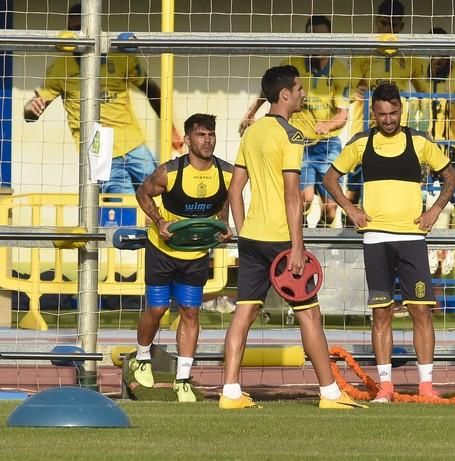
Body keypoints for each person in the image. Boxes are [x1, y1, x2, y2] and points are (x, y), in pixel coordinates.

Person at [221, 65, 366, 410]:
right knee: (310, 316)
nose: (304, 94)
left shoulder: (251, 134)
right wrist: (298, 247)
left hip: (253, 238)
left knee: (243, 314)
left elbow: (235, 190)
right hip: (280, 240)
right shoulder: (292, 135)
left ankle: (230, 392)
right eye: (299, 88)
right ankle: (330, 393)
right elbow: (292, 195)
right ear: (285, 94)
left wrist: (243, 234)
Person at [324, 83, 455, 403]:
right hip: (375, 239)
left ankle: (426, 386)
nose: (388, 119)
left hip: (412, 237)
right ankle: (385, 387)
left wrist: (435, 210)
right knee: (381, 313)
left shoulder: (419, 141)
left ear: (402, 109)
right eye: (382, 114)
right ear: (373, 113)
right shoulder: (361, 143)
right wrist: (350, 208)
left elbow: (451, 176)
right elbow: (330, 178)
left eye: (394, 112)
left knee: (421, 311)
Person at [23, 3, 183, 194]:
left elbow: (152, 90)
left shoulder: (119, 57)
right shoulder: (60, 68)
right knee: (122, 209)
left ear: (95, 27)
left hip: (133, 144)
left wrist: (171, 129)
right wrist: (30, 109)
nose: (78, 36)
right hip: (99, 149)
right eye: (73, 29)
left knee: (159, 198)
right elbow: (31, 110)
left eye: (82, 29)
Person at [128, 113, 233, 402]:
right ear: (187, 140)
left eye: (211, 134)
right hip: (162, 251)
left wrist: (223, 226)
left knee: (190, 312)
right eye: (200, 135)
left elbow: (223, 201)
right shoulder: (168, 172)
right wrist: (159, 221)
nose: (207, 140)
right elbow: (143, 194)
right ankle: (142, 356)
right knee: (157, 310)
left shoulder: (227, 173)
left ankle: (183, 378)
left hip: (196, 252)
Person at [238, 16, 350, 227]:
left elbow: (343, 114)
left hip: (327, 144)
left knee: (331, 209)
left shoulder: (340, 71)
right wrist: (252, 111)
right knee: (304, 199)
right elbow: (271, 88)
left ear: (331, 39)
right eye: (312, 37)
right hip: (300, 143)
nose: (316, 42)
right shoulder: (293, 65)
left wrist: (327, 125)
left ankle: (320, 232)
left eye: (322, 37)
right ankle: (302, 233)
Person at [345, 0, 427, 207]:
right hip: (365, 131)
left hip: (397, 135)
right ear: (376, 22)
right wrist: (354, 91)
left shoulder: (410, 57)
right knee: (354, 193)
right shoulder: (362, 53)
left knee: (397, 190)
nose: (388, 29)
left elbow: (425, 93)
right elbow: (346, 89)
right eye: (383, 23)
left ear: (402, 26)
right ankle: (350, 236)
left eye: (394, 25)